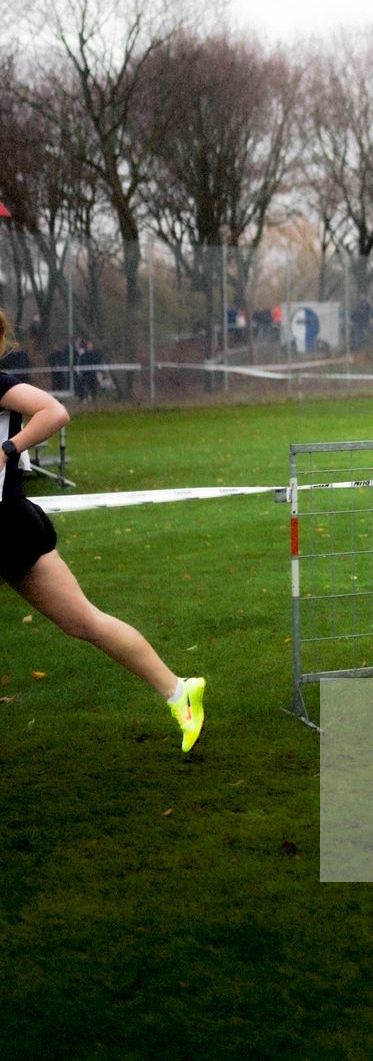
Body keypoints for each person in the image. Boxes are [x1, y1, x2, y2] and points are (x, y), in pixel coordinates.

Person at [0, 310, 205, 750]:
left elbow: (54, 412)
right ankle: (178, 689)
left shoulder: (0, 385)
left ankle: (178, 691)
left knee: (84, 621)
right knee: (84, 623)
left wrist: (9, 449)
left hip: (8, 527)